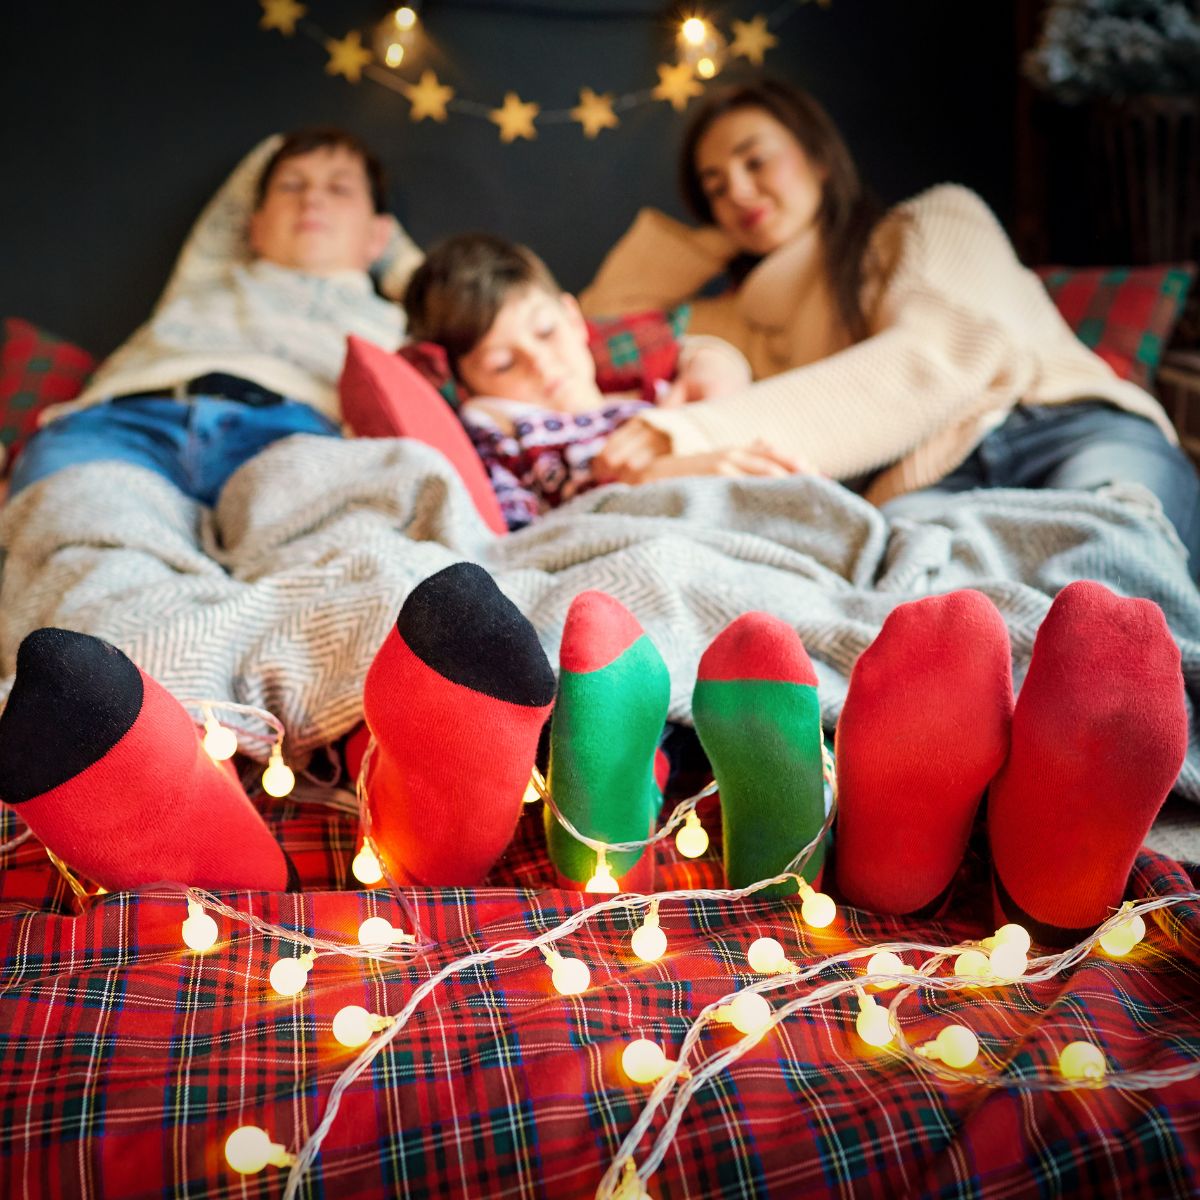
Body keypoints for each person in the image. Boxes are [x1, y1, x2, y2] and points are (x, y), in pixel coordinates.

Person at [0, 565, 1184, 948]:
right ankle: (1016, 876)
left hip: (628, 497)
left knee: (612, 590)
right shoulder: (194, 369)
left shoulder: (669, 387)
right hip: (429, 504)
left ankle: (504, 815)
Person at [581, 79, 1200, 573]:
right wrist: (716, 238)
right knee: (919, 616)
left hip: (1061, 426)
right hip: (926, 485)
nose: (737, 190)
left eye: (754, 160)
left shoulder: (929, 221)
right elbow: (594, 319)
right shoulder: (743, 319)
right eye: (714, 187)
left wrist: (689, 430)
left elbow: (941, 358)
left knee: (1112, 560)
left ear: (819, 157)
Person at [7, 126, 411, 507]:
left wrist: (391, 259)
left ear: (381, 234)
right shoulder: (206, 276)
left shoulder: (398, 324)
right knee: (74, 533)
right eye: (291, 185)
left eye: (339, 189)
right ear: (253, 227)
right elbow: (264, 159)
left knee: (339, 543)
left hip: (295, 437)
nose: (311, 200)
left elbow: (461, 290)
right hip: (124, 425)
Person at [402, 232, 794, 529]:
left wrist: (712, 369)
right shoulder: (506, 435)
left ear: (574, 319)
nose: (540, 364)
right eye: (503, 364)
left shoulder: (664, 394)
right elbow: (519, 541)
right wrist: (645, 482)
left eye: (544, 331)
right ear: (467, 386)